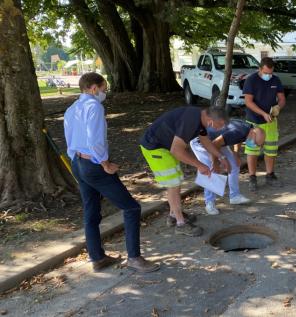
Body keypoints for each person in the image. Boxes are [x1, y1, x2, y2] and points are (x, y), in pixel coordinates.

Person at [64, 72, 159, 273]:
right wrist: (104, 163)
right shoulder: (94, 107)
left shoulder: (73, 108)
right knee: (131, 208)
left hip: (78, 162)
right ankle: (134, 257)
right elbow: (95, 140)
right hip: (94, 165)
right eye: (104, 88)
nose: (105, 92)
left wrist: (78, 159)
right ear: (93, 88)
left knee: (91, 212)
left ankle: (97, 257)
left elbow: (69, 137)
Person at [140, 106, 230, 236]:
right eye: (219, 125)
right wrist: (200, 165)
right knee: (173, 185)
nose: (220, 129)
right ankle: (180, 224)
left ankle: (173, 216)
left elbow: (205, 141)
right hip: (155, 148)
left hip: (167, 147)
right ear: (210, 120)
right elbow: (177, 151)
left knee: (176, 182)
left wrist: (221, 157)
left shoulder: (200, 118)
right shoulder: (191, 121)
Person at [190, 119, 265, 214]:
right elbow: (214, 144)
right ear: (253, 133)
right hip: (201, 141)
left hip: (217, 141)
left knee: (234, 165)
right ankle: (209, 203)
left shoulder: (248, 130)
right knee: (210, 170)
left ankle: (235, 196)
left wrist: (236, 153)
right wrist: (215, 162)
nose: (254, 145)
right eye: (256, 143)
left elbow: (239, 139)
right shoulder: (237, 131)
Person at [243, 57, 287, 191]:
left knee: (271, 150)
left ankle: (270, 175)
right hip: (254, 122)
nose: (269, 75)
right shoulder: (251, 80)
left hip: (271, 121)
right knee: (252, 150)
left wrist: (278, 107)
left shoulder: (275, 80)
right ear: (260, 69)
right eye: (266, 73)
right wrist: (262, 113)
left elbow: (282, 98)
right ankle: (252, 178)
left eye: (271, 73)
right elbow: (248, 102)